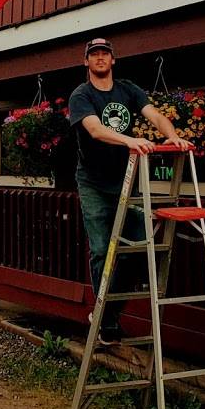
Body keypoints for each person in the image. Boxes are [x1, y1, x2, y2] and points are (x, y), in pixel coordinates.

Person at [68, 38, 192, 343]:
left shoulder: (127, 89)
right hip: (94, 183)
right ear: (86, 62)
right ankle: (105, 320)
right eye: (94, 55)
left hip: (127, 180)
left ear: (113, 60)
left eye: (104, 54)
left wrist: (174, 136)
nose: (99, 58)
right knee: (101, 250)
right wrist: (130, 141)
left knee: (139, 246)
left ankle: (107, 314)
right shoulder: (81, 95)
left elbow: (155, 115)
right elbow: (95, 130)